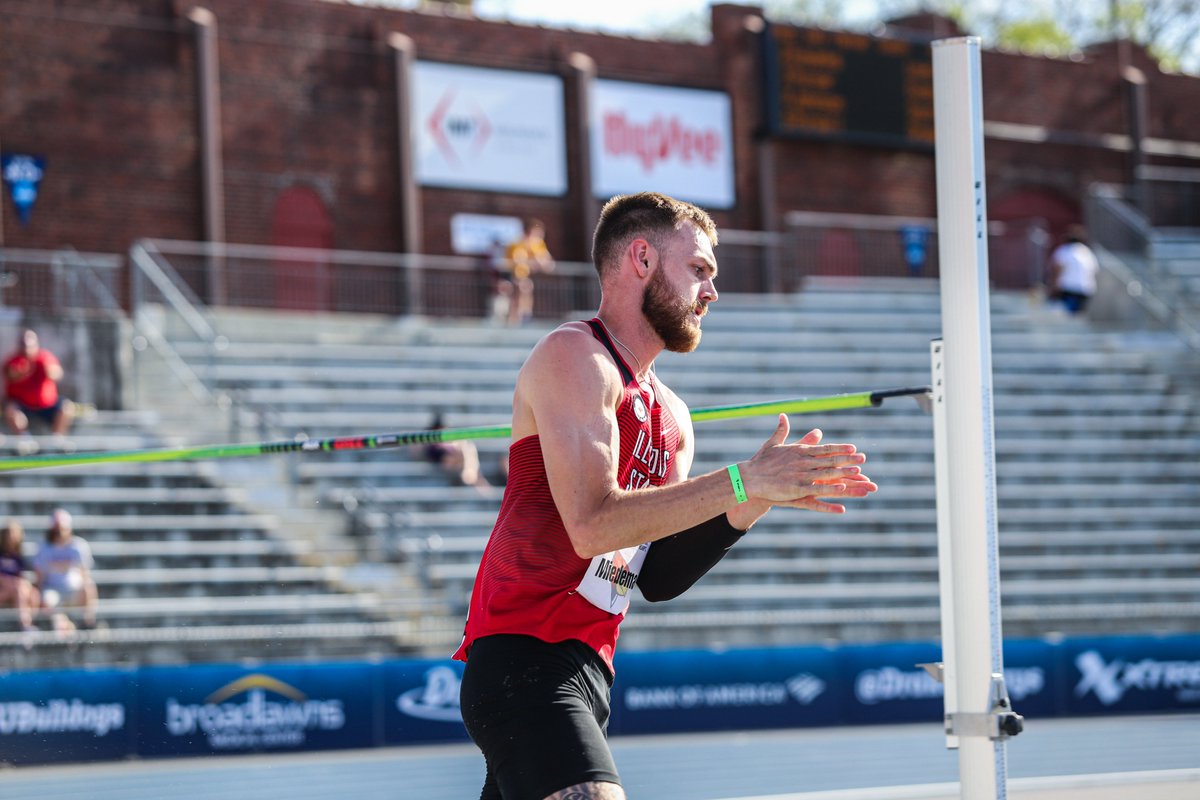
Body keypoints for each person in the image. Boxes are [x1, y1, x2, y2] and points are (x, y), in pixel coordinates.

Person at [453, 192, 877, 800]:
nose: (712, 291)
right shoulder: (576, 355)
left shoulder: (674, 416)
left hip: (591, 671)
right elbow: (593, 526)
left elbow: (655, 576)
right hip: (524, 658)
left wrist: (754, 501)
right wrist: (741, 480)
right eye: (699, 269)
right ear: (643, 258)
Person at [3, 329, 76, 446]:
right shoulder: (14, 361)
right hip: (22, 405)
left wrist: (52, 372)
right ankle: (24, 440)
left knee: (67, 408)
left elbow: (57, 373)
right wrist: (20, 373)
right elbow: (10, 374)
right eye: (24, 344)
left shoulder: (45, 358)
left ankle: (57, 440)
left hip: (47, 405)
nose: (27, 348)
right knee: (11, 411)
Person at [32, 508, 99, 634]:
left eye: (62, 529)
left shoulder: (78, 546)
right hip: (52, 589)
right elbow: (39, 576)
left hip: (72, 589)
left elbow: (85, 574)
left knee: (88, 586)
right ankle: (64, 628)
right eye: (57, 530)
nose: (59, 533)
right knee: (47, 600)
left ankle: (88, 623)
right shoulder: (44, 547)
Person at [501, 218, 555, 326]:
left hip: (522, 275)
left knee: (525, 288)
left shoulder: (538, 244)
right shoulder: (517, 244)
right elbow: (517, 262)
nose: (539, 238)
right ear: (529, 233)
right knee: (520, 289)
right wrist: (534, 263)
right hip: (509, 274)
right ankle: (515, 319)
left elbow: (547, 262)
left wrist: (542, 262)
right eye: (537, 235)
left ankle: (522, 316)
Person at [424, 412, 492, 493]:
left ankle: (471, 474)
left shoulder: (449, 442)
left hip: (460, 463)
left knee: (465, 445)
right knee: (464, 447)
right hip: (450, 464)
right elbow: (445, 459)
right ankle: (472, 475)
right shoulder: (434, 445)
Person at [1046, 225, 1099, 315]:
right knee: (1078, 316)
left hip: (1069, 288)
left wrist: (1053, 287)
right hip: (1086, 289)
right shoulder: (1087, 251)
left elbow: (1058, 269)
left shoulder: (1063, 251)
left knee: (1068, 318)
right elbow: (1094, 270)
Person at [0, 519, 41, 633]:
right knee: (18, 588)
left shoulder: (18, 557)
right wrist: (11, 582)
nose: (11, 538)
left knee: (34, 594)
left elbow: (22, 576)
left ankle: (31, 624)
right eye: (9, 534)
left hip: (14, 590)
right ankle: (25, 626)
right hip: (3, 591)